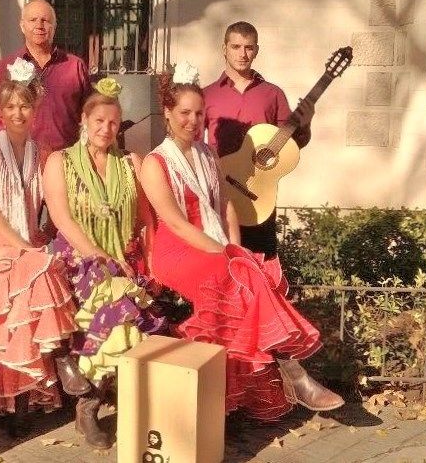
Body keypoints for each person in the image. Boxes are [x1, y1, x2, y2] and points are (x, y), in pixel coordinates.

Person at [141, 66, 344, 420]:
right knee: (239, 275)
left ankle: (227, 400)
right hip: (175, 251)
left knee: (245, 274)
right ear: (168, 113)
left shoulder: (207, 155)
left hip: (213, 247)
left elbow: (226, 207)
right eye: (185, 113)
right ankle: (291, 371)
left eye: (199, 113)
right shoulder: (155, 162)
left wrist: (237, 250)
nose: (193, 121)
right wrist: (228, 254)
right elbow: (175, 223)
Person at [43, 78, 164, 449]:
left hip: (124, 258)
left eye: (113, 123)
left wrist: (151, 263)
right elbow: (61, 217)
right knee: (115, 299)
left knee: (129, 302)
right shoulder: (60, 161)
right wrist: (100, 255)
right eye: (98, 121)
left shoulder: (130, 163)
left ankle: (95, 403)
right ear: (84, 120)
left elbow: (145, 219)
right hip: (76, 256)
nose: (105, 129)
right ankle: (90, 405)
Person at [0, 73, 88, 436]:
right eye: (10, 106)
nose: (18, 113)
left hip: (30, 248)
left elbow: (57, 204)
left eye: (24, 105)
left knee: (30, 278)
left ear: (35, 111)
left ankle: (17, 402)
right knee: (36, 266)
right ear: (0, 112)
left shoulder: (44, 153)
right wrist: (25, 247)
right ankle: (62, 357)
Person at [203, 21, 315, 257]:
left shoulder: (273, 94)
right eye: (236, 46)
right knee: (219, 262)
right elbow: (192, 145)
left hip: (259, 195)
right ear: (224, 48)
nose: (242, 54)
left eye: (249, 47)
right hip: (219, 193)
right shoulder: (207, 95)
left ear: (256, 50)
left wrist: (306, 123)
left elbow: (291, 145)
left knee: (262, 264)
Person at [0, 0, 90, 151]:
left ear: (54, 27)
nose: (39, 25)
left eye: (45, 20)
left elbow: (90, 116)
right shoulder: (4, 68)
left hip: (66, 158)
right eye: (33, 20)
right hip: (19, 159)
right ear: (22, 26)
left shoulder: (75, 67)